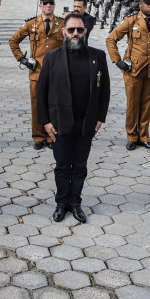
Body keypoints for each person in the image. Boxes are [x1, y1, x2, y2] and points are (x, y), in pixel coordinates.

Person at [36, 13, 110, 224]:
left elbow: (104, 90)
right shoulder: (52, 57)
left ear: (85, 31)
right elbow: (41, 92)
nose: (75, 34)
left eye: (79, 30)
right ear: (64, 32)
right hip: (59, 123)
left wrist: (100, 118)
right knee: (61, 165)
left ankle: (75, 202)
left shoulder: (98, 56)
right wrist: (45, 122)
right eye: (71, 30)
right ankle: (61, 203)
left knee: (80, 165)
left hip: (86, 122)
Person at [106, 0, 150, 151]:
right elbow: (111, 39)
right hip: (133, 70)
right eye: (147, 3)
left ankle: (144, 136)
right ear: (140, 4)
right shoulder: (131, 21)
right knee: (133, 104)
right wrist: (117, 61)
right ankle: (131, 136)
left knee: (147, 105)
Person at [9, 0, 66, 149]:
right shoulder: (31, 23)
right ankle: (38, 136)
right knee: (37, 104)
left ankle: (51, 136)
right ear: (40, 5)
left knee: (53, 104)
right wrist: (22, 59)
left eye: (51, 3)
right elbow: (13, 41)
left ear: (54, 5)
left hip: (56, 73)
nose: (48, 5)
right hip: (37, 71)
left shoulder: (62, 24)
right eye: (45, 3)